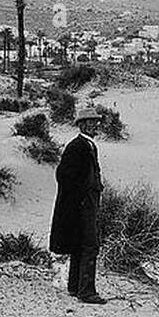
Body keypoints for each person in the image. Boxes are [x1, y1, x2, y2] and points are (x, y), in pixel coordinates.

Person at [49, 105, 107, 304]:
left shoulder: (85, 145)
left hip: (83, 204)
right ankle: (86, 291)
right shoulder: (79, 146)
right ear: (81, 125)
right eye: (89, 122)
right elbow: (64, 175)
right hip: (83, 206)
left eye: (94, 122)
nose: (93, 125)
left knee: (79, 245)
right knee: (89, 246)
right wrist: (81, 198)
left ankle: (75, 287)